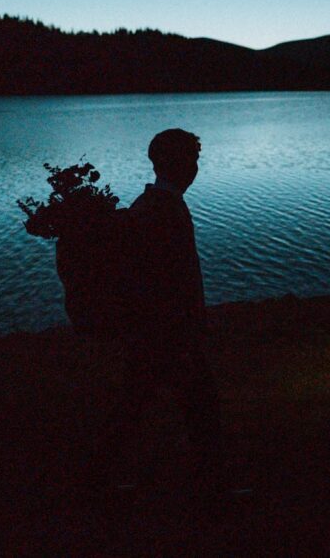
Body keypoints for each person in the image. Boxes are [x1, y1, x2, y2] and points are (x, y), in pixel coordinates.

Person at [98, 128, 221, 489]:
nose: (195, 167)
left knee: (135, 406)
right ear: (171, 163)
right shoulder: (159, 211)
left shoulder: (153, 205)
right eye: (191, 159)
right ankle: (212, 493)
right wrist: (184, 330)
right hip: (168, 336)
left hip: (159, 335)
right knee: (201, 412)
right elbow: (163, 281)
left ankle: (97, 481)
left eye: (196, 159)